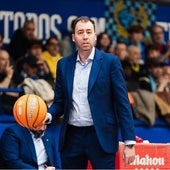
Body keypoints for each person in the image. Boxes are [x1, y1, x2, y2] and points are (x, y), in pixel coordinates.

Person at [48, 16, 136, 169]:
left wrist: (129, 142)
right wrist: (47, 115)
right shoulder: (63, 64)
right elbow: (59, 102)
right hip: (72, 137)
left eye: (89, 32)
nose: (85, 36)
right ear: (73, 38)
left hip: (101, 136)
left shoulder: (111, 62)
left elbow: (122, 103)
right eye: (80, 32)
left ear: (95, 36)